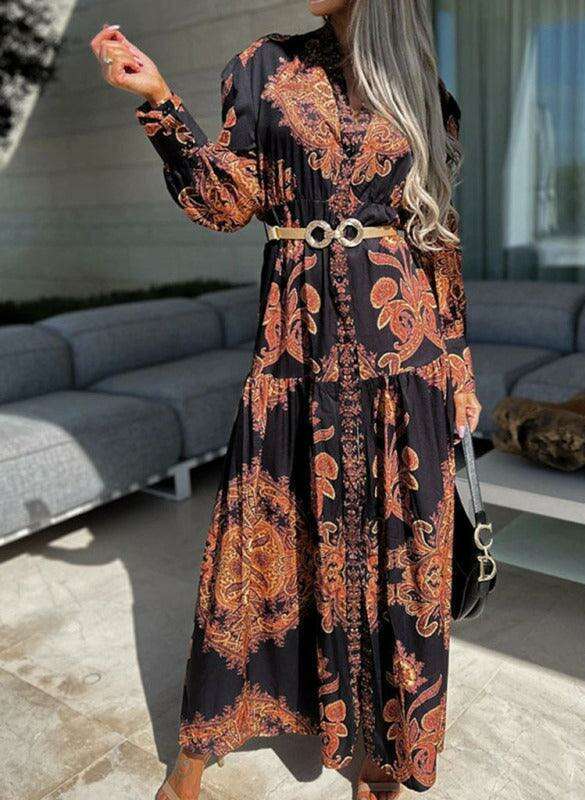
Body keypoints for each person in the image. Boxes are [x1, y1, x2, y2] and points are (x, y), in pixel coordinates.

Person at [91, 1, 482, 798]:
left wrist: (460, 363)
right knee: (255, 540)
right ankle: (196, 752)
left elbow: (436, 235)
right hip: (294, 353)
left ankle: (385, 754)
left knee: (400, 558)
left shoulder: (422, 87)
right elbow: (224, 204)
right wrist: (159, 101)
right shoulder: (262, 67)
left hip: (406, 362)